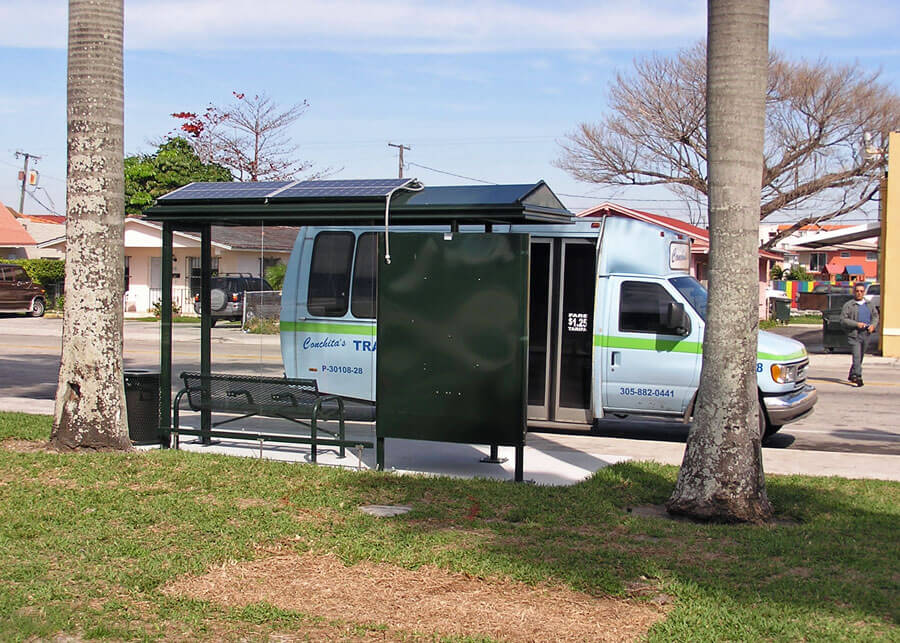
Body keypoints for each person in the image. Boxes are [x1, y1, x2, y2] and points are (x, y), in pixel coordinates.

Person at [840, 283, 879, 387]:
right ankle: (858, 376)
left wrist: (873, 326)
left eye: (861, 291)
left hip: (866, 334)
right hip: (854, 335)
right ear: (854, 292)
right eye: (857, 291)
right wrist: (857, 324)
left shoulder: (869, 304)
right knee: (856, 357)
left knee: (860, 357)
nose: (859, 293)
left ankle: (852, 374)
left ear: (864, 292)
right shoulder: (849, 305)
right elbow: (843, 320)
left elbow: (875, 316)